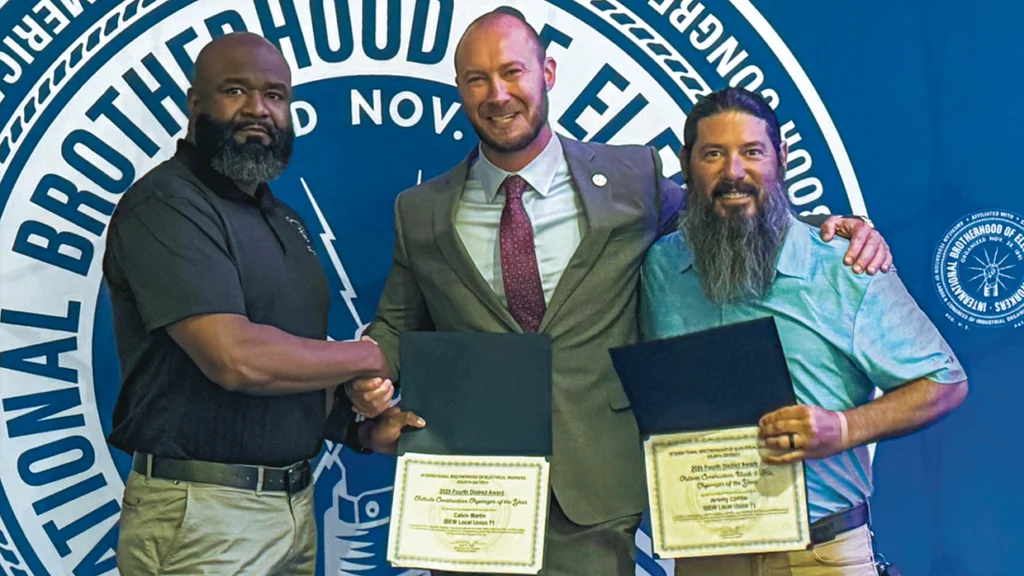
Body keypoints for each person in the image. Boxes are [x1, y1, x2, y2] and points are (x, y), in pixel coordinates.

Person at [345, 9, 892, 575]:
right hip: (473, 491)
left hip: (598, 487)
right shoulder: (420, 210)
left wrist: (828, 227)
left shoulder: (632, 177)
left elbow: (729, 213)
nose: (498, 94)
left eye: (513, 72)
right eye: (477, 79)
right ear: (460, 88)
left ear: (548, 73)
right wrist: (370, 378)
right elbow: (395, 324)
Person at [640, 87, 968, 575]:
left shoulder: (844, 265)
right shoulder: (660, 268)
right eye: (714, 154)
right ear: (686, 163)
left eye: (752, 152)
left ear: (781, 159)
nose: (734, 172)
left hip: (820, 556)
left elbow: (944, 382)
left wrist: (843, 429)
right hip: (707, 555)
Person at [103, 33, 390, 574]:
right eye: (236, 90)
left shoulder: (283, 220)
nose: (259, 109)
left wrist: (363, 429)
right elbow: (236, 359)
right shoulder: (166, 205)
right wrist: (373, 357)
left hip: (295, 507)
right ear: (196, 104)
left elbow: (298, 371)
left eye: (276, 96)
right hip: (203, 517)